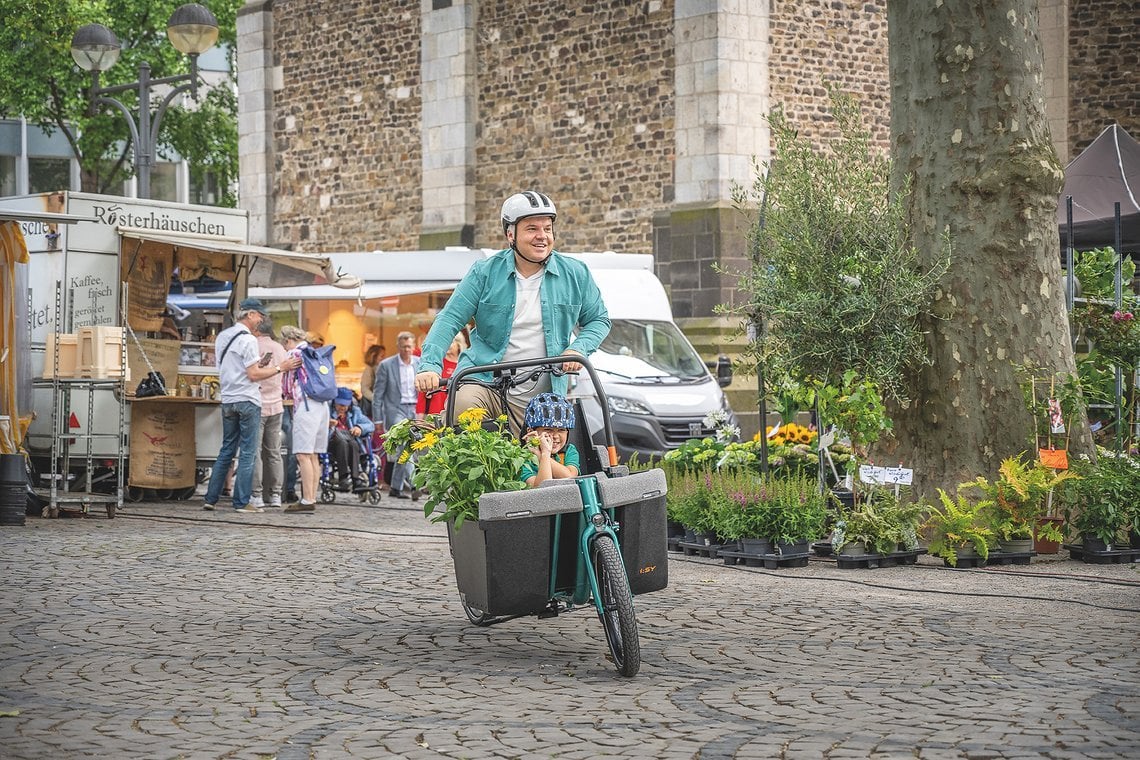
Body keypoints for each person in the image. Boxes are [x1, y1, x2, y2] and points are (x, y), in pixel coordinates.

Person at [415, 190, 609, 432]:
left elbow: (599, 320)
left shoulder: (576, 273)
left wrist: (577, 349)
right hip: (485, 382)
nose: (542, 236)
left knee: (545, 459)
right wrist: (430, 366)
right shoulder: (484, 273)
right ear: (510, 234)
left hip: (543, 393)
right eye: (532, 229)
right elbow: (449, 319)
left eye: (547, 229)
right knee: (463, 408)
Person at [203, 299, 301, 513]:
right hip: (247, 399)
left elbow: (227, 367)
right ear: (249, 315)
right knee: (248, 452)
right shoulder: (248, 340)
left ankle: (210, 499)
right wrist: (279, 367)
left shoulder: (223, 337)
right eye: (259, 315)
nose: (261, 320)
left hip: (228, 398)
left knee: (227, 449)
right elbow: (253, 374)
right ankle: (241, 502)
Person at [279, 326, 328, 513]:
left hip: (306, 406)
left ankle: (307, 500)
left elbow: (286, 384)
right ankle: (312, 496)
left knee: (303, 454)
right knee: (314, 454)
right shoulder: (313, 351)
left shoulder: (295, 353)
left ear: (287, 340)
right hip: (322, 405)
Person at [373, 331, 421, 499]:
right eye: (403, 347)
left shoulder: (419, 363)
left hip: (415, 409)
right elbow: (378, 394)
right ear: (398, 347)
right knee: (404, 445)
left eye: (409, 347)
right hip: (396, 409)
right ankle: (415, 484)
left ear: (414, 347)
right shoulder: (386, 365)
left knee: (409, 448)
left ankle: (395, 487)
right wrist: (378, 418)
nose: (406, 350)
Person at [249, 319, 289, 509]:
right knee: (274, 452)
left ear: (256, 330)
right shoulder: (280, 348)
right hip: (277, 404)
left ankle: (256, 494)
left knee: (255, 451)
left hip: (257, 403)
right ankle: (275, 495)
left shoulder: (253, 346)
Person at [519, 393, 580, 488]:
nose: (555, 436)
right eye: (548, 430)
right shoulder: (522, 458)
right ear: (531, 432)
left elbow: (569, 476)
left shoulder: (569, 451)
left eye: (561, 430)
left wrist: (541, 456)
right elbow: (542, 491)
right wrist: (545, 454)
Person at [328, 386, 375, 490]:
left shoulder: (355, 411)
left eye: (345, 405)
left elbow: (370, 425)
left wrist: (359, 428)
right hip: (332, 443)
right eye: (340, 404)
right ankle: (343, 477)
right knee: (342, 442)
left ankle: (355, 478)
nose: (343, 407)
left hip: (350, 441)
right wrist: (328, 424)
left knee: (353, 443)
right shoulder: (328, 411)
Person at [415, 332, 465, 417]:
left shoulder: (464, 365)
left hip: (459, 414)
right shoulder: (435, 364)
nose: (447, 345)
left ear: (459, 344)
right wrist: (420, 416)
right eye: (445, 342)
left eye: (451, 342)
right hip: (435, 414)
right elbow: (423, 393)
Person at [359, 344, 384, 419]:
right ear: (374, 356)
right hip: (371, 408)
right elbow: (364, 389)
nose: (384, 358)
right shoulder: (369, 370)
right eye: (382, 356)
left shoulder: (380, 368)